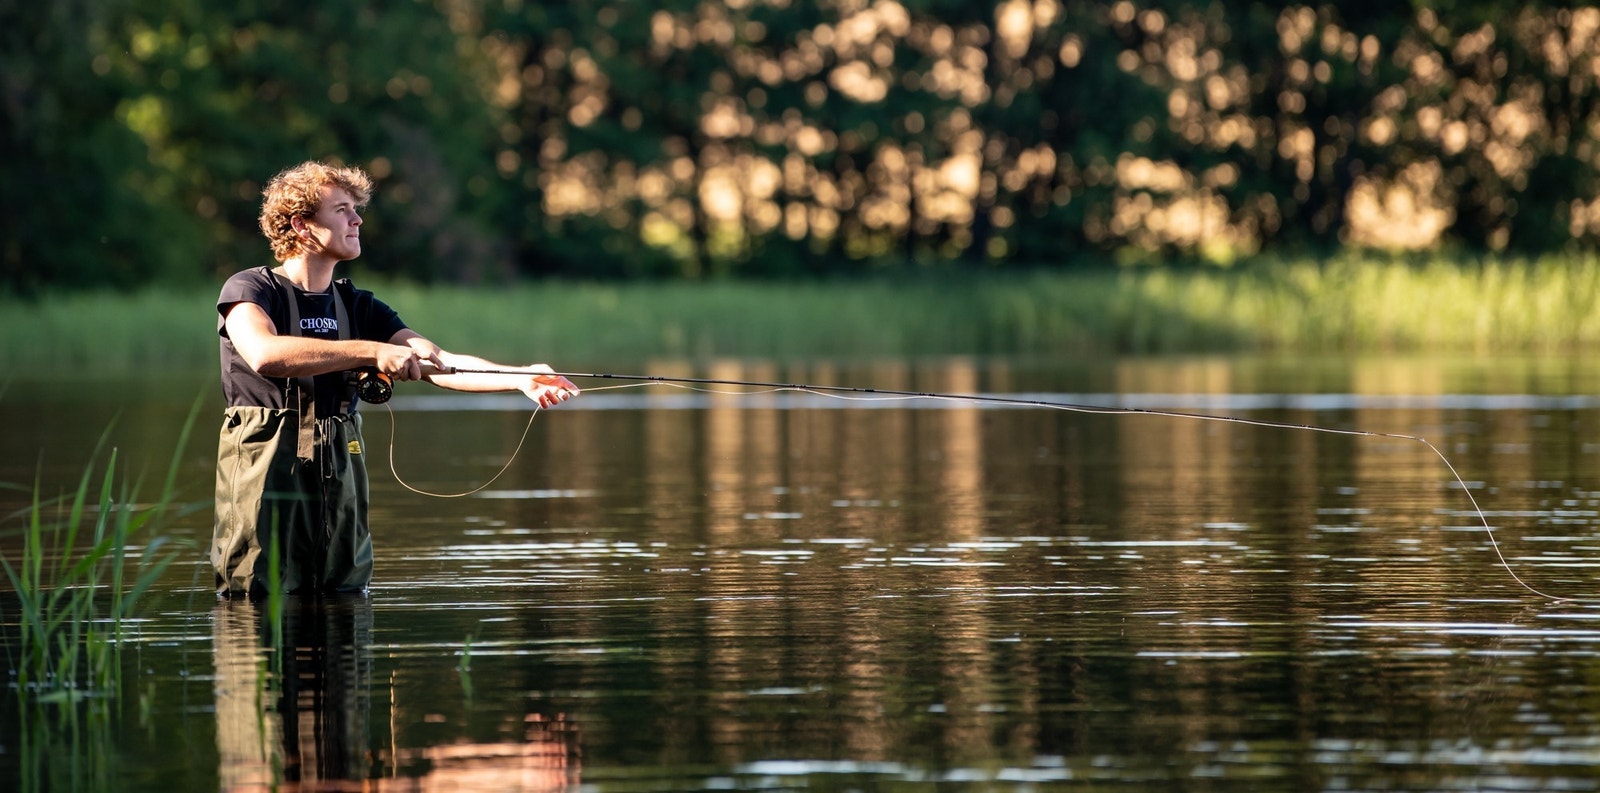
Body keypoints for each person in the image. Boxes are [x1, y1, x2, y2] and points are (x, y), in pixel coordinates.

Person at [211, 160, 578, 597]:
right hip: (264, 462)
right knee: (255, 595)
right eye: (342, 209)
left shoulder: (359, 305)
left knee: (343, 590)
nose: (357, 219)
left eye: (355, 208)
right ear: (302, 224)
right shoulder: (250, 290)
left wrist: (520, 377)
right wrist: (374, 351)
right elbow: (264, 354)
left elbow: (438, 362)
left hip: (340, 460)